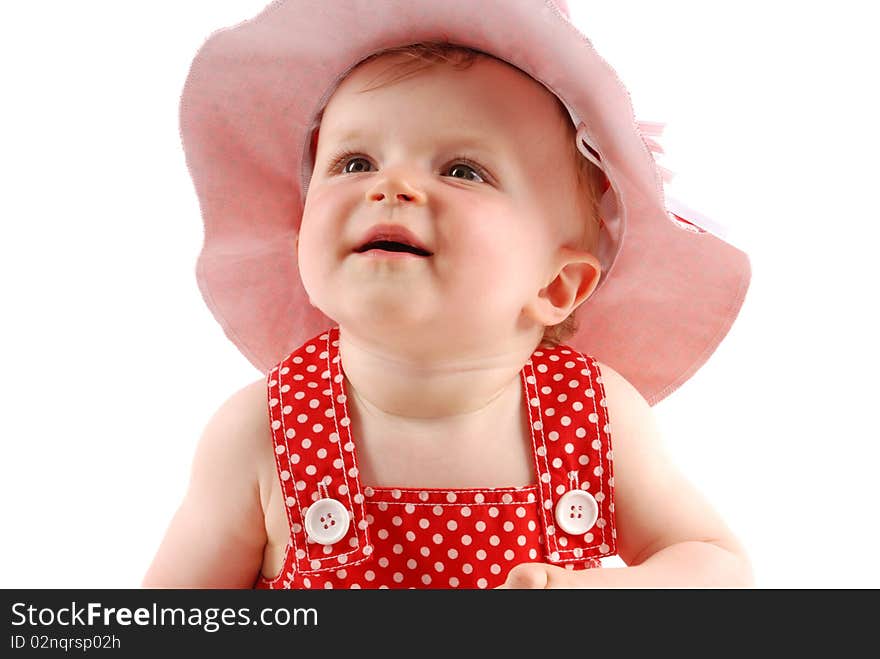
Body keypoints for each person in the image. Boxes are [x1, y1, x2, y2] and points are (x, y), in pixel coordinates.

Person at [142, 0, 753, 589]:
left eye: (463, 171)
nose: (391, 185)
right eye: (354, 162)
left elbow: (715, 565)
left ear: (556, 284)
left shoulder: (594, 420)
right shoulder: (263, 432)